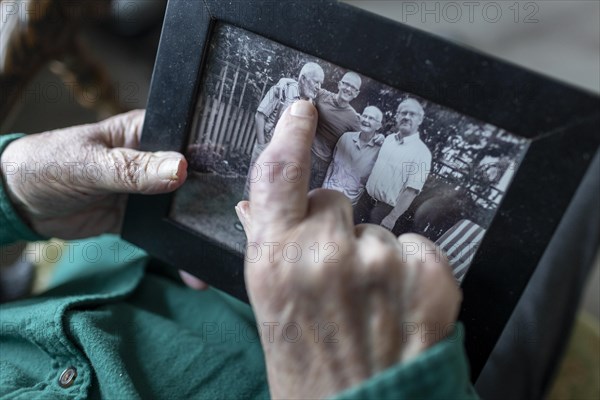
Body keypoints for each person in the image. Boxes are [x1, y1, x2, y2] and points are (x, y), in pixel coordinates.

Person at [0, 104, 477, 398]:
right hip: (399, 353)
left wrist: (9, 190)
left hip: (113, 241)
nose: (383, 121)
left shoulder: (391, 142)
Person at [243, 62, 324, 199]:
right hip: (267, 145)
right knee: (253, 187)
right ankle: (242, 219)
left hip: (287, 155)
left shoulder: (311, 104)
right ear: (303, 79)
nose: (319, 87)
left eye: (321, 84)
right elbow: (260, 116)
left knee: (272, 192)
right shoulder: (282, 89)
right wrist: (262, 145)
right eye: (316, 82)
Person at [356, 98, 432, 232]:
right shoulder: (389, 139)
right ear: (397, 117)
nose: (406, 117)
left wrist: (392, 217)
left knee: (367, 248)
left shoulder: (423, 153)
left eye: (412, 114)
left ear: (419, 120)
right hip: (364, 200)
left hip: (384, 211)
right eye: (403, 113)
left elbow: (411, 191)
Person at [309, 71, 362, 190]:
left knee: (308, 199)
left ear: (356, 94)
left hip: (324, 165)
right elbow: (303, 92)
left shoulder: (353, 118)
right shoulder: (322, 95)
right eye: (346, 84)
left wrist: (378, 139)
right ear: (339, 84)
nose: (348, 89)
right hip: (306, 152)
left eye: (353, 88)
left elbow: (363, 140)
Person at [322, 105, 384, 206]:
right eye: (365, 116)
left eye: (371, 118)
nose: (366, 120)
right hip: (329, 192)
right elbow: (332, 164)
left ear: (378, 126)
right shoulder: (346, 137)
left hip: (350, 201)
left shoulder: (380, 150)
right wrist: (324, 185)